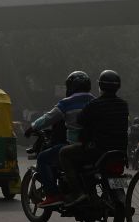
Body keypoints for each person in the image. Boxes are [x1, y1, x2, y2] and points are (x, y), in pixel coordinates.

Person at [24, 71, 95, 208]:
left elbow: (48, 118)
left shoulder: (67, 103)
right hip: (94, 147)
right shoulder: (95, 101)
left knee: (43, 159)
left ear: (71, 87)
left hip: (73, 146)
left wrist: (32, 127)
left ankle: (53, 194)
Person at [59, 70, 129, 205]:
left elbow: (80, 120)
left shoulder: (94, 104)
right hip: (120, 152)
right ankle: (119, 195)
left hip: (97, 150)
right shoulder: (123, 104)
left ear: (100, 86)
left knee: (64, 153)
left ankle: (77, 192)